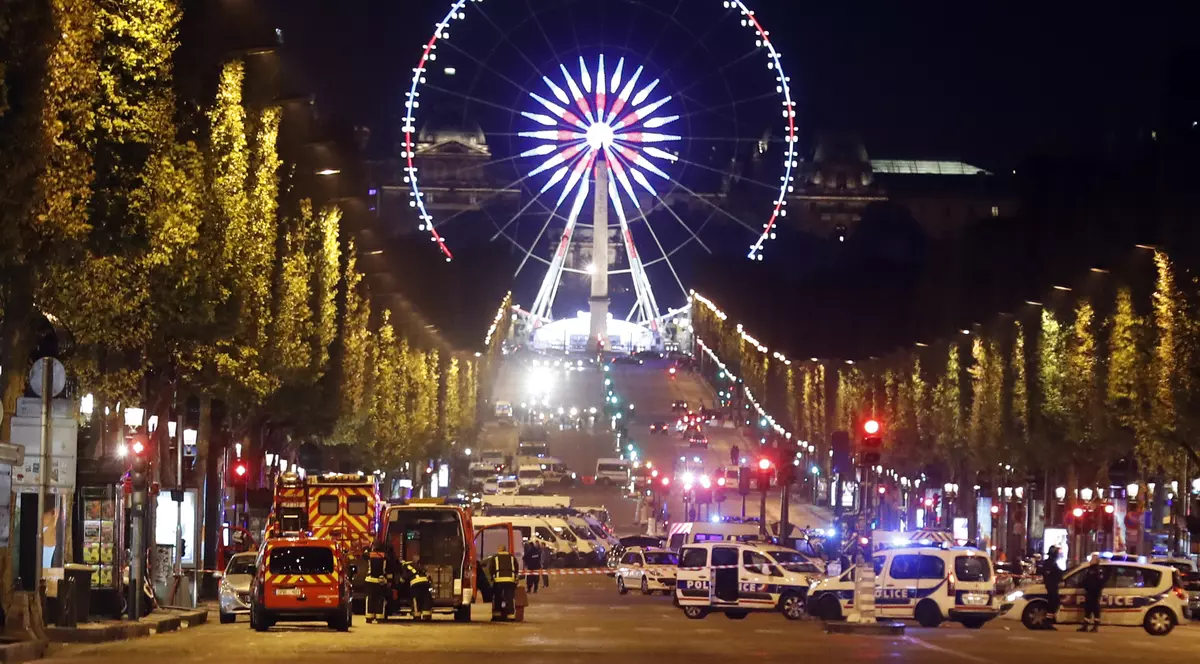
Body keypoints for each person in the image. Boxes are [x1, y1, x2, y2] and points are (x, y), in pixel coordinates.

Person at [485, 544, 519, 621]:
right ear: (505, 549)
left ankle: (497, 615)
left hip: (498, 580)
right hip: (510, 580)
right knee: (509, 597)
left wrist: (492, 578)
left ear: (499, 550)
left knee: (497, 597)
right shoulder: (512, 557)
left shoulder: (495, 557)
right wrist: (515, 578)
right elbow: (516, 568)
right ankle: (510, 615)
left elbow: (490, 568)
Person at [398, 555, 433, 621]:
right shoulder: (417, 566)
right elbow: (428, 576)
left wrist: (400, 581)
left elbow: (404, 578)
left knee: (416, 599)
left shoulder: (405, 566)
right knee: (426, 597)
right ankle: (427, 614)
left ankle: (417, 615)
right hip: (425, 582)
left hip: (415, 584)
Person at [364, 542, 389, 623]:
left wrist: (368, 548)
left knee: (370, 598)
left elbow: (364, 554)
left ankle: (369, 617)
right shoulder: (385, 556)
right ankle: (379, 617)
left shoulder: (369, 555)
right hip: (380, 581)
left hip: (370, 580)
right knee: (380, 598)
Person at [1079, 556, 1105, 632]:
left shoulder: (1098, 570)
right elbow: (1086, 580)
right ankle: (1085, 626)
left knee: (1095, 609)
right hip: (1089, 592)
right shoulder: (1090, 569)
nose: (1090, 561)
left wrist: (1095, 590)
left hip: (1095, 593)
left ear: (1096, 561)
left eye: (1092, 559)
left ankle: (1095, 627)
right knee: (1087, 609)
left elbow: (1100, 583)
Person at [1040, 546, 1063, 629]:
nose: (1058, 555)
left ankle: (1050, 621)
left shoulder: (1049, 562)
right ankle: (1048, 622)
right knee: (1053, 604)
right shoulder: (1051, 563)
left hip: (1051, 586)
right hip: (1051, 586)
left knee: (1053, 603)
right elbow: (1056, 573)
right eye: (1057, 554)